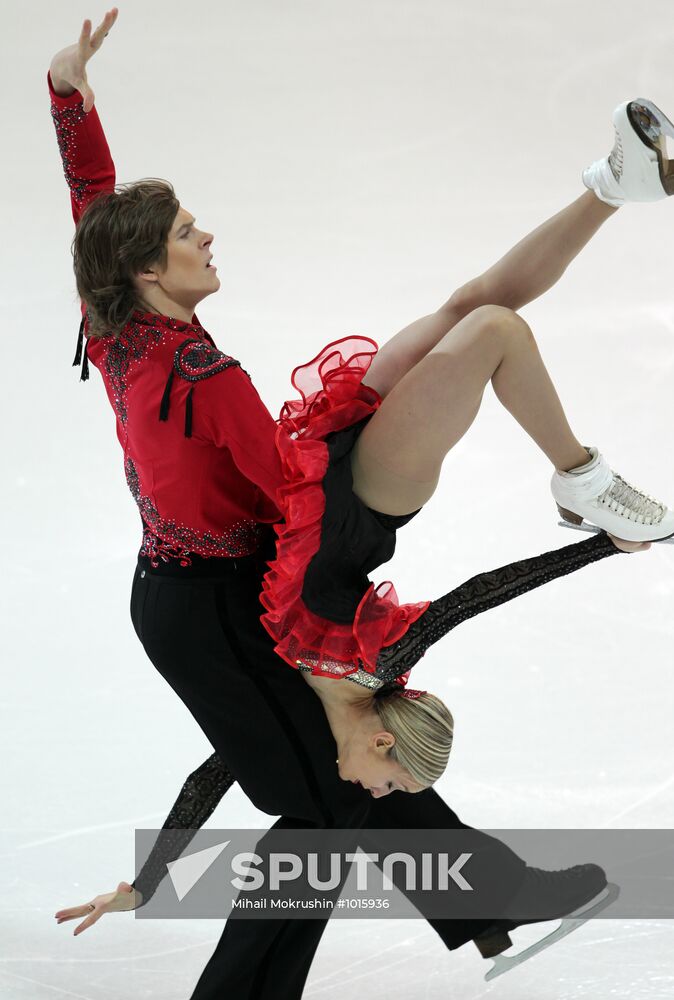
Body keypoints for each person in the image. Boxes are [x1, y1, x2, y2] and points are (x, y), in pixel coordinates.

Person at [49, 8, 671, 994]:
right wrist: (331, 603)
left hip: (224, 573)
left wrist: (68, 90)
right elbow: (294, 499)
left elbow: (91, 207)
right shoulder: (202, 375)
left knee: (468, 313)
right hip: (236, 588)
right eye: (182, 234)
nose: (203, 236)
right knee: (321, 804)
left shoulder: (114, 313)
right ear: (147, 272)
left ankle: (612, 186)